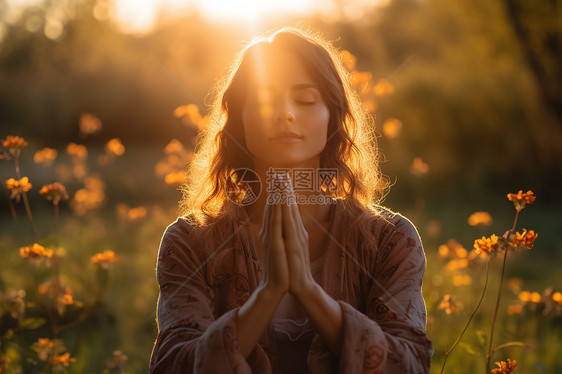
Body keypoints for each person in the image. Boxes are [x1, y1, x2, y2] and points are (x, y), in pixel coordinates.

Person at [149, 26, 433, 373]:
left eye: (306, 100)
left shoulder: (390, 240)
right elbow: (174, 365)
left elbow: (409, 365)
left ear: (333, 118)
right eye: (266, 99)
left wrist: (307, 290)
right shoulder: (190, 241)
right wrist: (268, 294)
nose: (285, 113)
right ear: (240, 119)